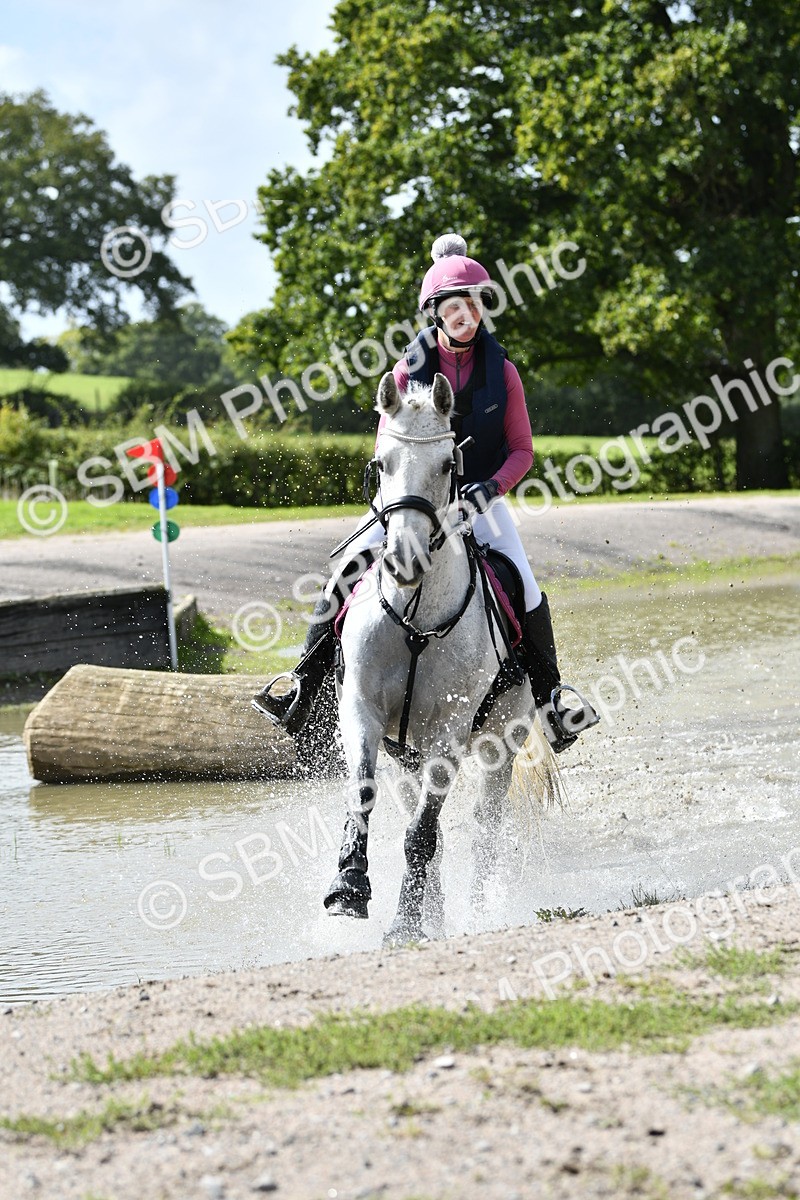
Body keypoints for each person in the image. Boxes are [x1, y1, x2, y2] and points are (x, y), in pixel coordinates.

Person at [253, 233, 598, 753]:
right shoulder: (403, 374)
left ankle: (552, 700)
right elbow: (384, 454)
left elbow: (522, 452)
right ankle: (302, 684)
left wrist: (489, 489)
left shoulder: (503, 373)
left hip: (479, 501)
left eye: (476, 304)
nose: (468, 315)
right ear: (436, 312)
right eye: (456, 307)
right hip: (412, 502)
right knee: (346, 572)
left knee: (523, 584)